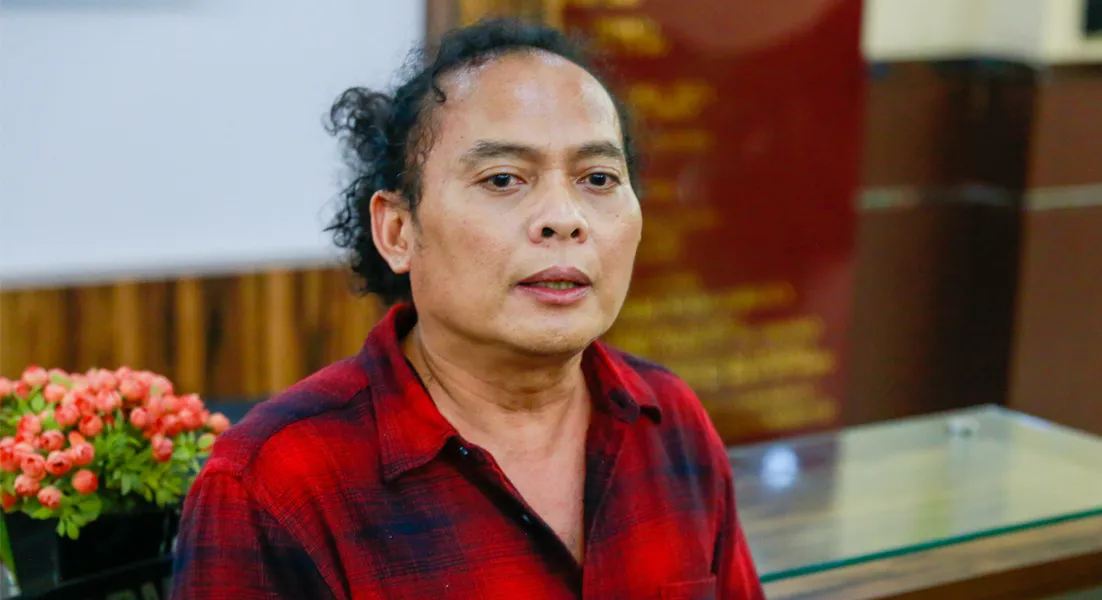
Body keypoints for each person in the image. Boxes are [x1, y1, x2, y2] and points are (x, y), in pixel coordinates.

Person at [172, 18, 764, 600]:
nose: (565, 218)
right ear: (398, 230)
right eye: (503, 179)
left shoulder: (669, 421)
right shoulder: (274, 484)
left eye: (599, 178)